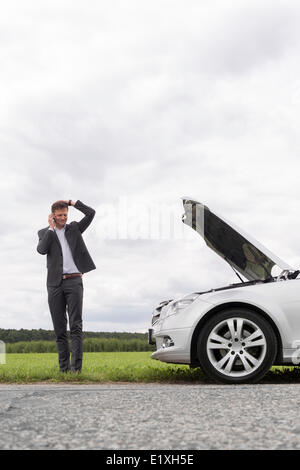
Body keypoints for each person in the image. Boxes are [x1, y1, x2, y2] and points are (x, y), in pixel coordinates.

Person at [37, 199, 96, 373]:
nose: (63, 218)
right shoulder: (44, 232)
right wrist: (50, 228)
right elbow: (41, 250)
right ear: (53, 216)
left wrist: (72, 202)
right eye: (59, 215)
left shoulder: (75, 228)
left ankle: (76, 370)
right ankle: (64, 371)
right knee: (60, 329)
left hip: (74, 281)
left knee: (76, 326)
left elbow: (91, 213)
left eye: (65, 215)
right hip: (54, 284)